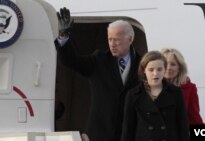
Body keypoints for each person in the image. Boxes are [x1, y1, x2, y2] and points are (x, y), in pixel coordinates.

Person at [54, 7, 142, 141]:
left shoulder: (144, 64)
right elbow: (71, 61)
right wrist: (63, 36)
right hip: (99, 133)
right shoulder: (99, 59)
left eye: (117, 39)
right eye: (110, 39)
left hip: (130, 133)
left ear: (130, 39)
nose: (112, 44)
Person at [121, 51, 190, 141]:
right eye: (151, 69)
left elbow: (183, 126)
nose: (155, 73)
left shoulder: (176, 93)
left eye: (159, 69)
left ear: (164, 70)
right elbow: (128, 129)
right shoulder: (133, 94)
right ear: (144, 70)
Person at [161, 48, 205, 125]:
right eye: (165, 64)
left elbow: (194, 118)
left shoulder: (189, 88)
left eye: (173, 64)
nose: (168, 68)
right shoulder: (150, 87)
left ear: (179, 68)